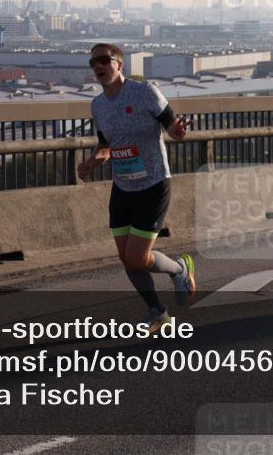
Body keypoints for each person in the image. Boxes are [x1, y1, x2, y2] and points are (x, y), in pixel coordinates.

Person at [77, 43, 196, 332]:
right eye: (93, 63)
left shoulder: (145, 93)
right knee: (126, 258)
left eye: (105, 60)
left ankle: (180, 270)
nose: (98, 67)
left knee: (138, 257)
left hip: (154, 184)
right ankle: (157, 312)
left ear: (120, 64)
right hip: (122, 188)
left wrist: (178, 132)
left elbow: (172, 128)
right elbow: (106, 146)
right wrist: (92, 162)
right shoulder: (98, 105)